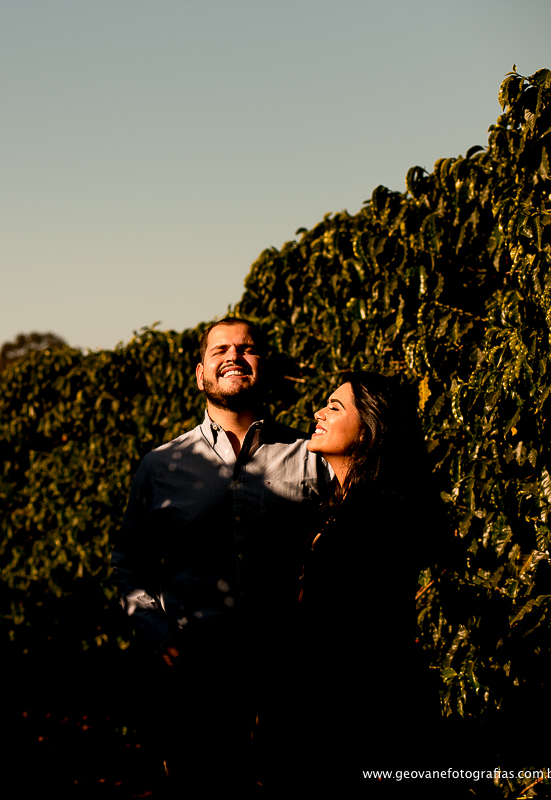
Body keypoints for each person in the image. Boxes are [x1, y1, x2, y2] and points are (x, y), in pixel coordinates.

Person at [110, 317, 331, 795]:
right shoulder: (160, 466)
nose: (234, 356)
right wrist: (159, 635)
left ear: (264, 366)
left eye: (247, 349)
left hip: (289, 677)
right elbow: (130, 566)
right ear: (201, 373)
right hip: (196, 679)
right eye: (220, 350)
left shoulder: (309, 456)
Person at [287, 372, 437, 795]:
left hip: (363, 726)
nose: (317, 412)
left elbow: (360, 631)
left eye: (335, 407)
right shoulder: (339, 506)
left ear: (369, 430)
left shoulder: (378, 513)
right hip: (344, 721)